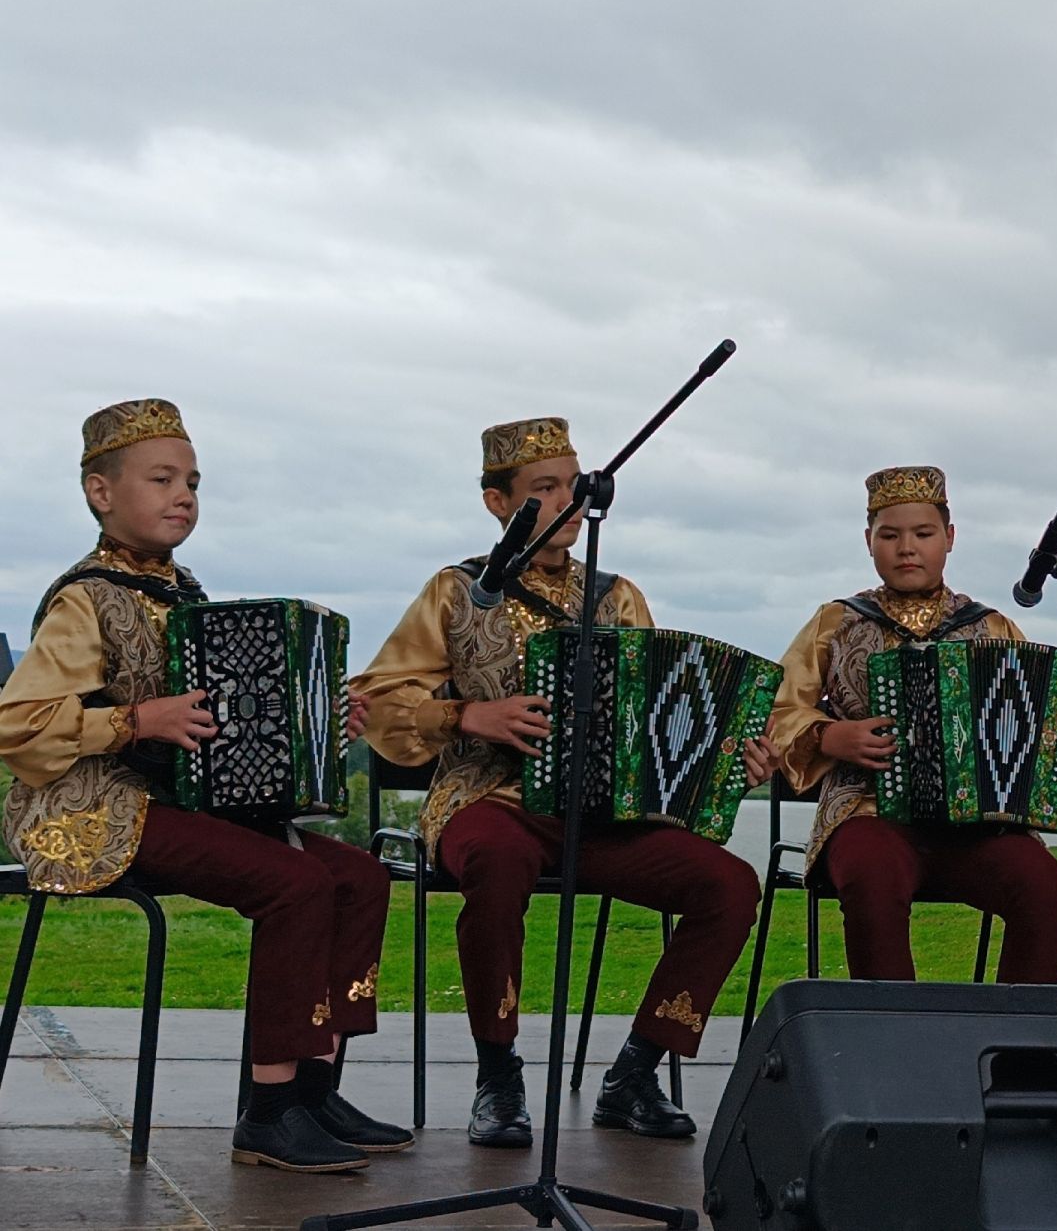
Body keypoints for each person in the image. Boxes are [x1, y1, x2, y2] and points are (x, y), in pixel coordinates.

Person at [0, 400, 408, 1173]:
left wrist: (320, 719)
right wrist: (132, 721)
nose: (183, 493)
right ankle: (269, 1107)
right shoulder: (83, 598)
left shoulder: (185, 595)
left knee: (356, 874)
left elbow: (225, 722)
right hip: (91, 807)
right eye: (161, 478)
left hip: (176, 802)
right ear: (101, 491)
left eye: (192, 480)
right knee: (291, 883)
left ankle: (316, 1083)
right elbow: (17, 722)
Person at [353, 416, 767, 1148]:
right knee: (496, 858)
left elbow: (659, 716)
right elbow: (382, 704)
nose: (568, 502)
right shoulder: (455, 592)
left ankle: (636, 1071)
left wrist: (734, 755)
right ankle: (498, 1075)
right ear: (496, 501)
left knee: (730, 885)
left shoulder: (617, 595)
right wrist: (467, 713)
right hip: (489, 799)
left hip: (602, 815)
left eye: (573, 487)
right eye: (544, 490)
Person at [766, 466, 1057, 983]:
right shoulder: (836, 621)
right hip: (865, 811)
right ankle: (896, 1040)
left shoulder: (992, 627)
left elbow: (1038, 729)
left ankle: (1016, 1044)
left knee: (1043, 887)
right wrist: (831, 735)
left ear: (949, 538)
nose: (907, 548)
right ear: (868, 542)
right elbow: (779, 708)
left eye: (923, 534)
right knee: (872, 874)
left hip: (978, 825)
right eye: (890, 535)